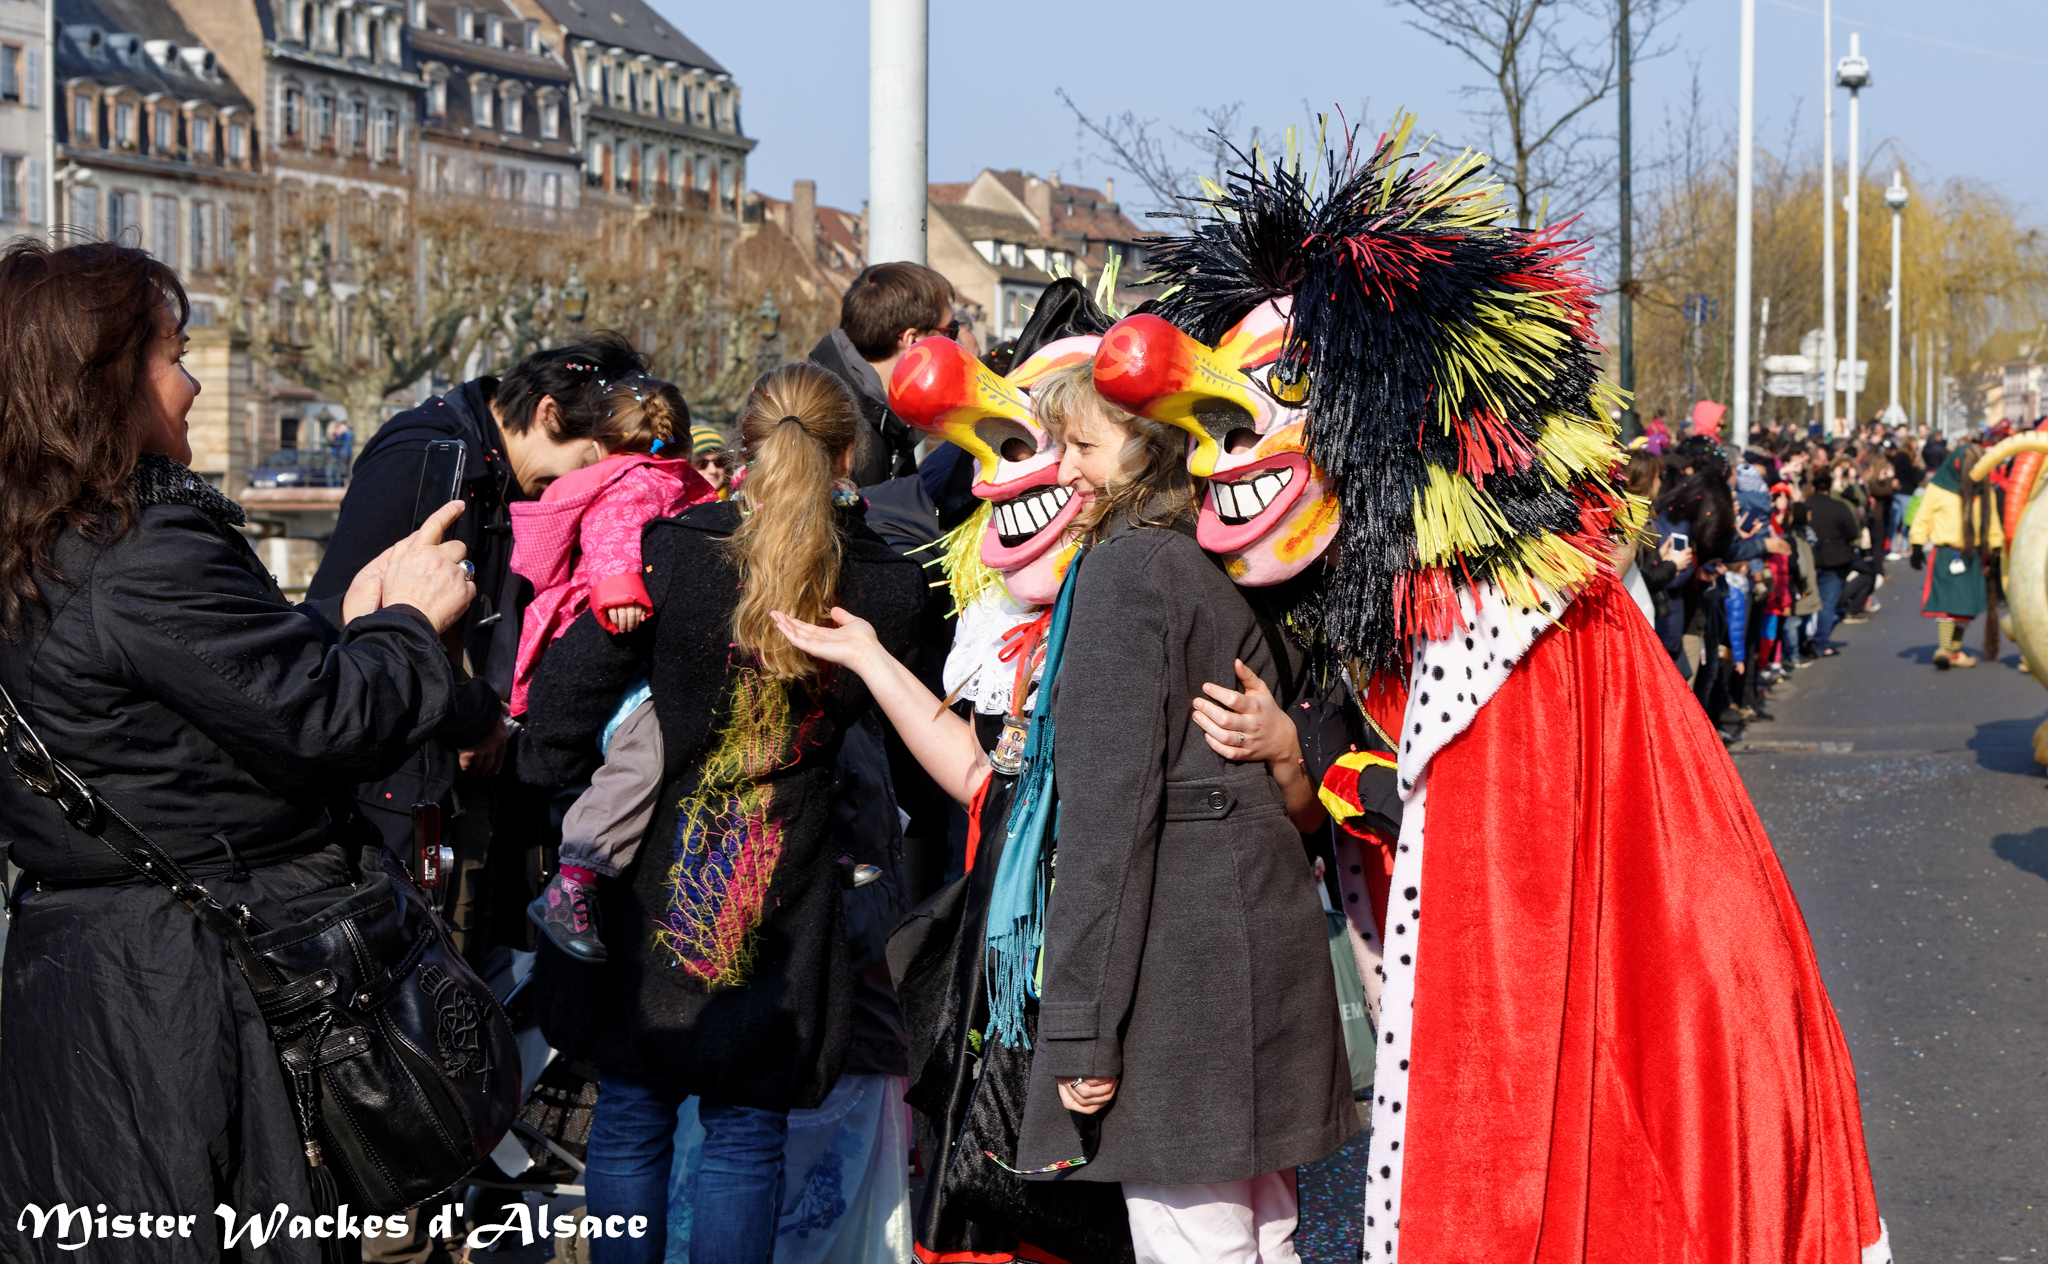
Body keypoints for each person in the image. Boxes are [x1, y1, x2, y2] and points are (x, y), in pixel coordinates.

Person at [788, 358, 1355, 1263]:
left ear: (1157, 446)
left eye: (1083, 444)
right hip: (1244, 955)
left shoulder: (1128, 571)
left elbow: (1105, 828)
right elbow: (1008, 781)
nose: (1066, 467)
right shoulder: (1209, 571)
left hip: (1177, 978)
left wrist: (1082, 1030)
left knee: (1195, 1244)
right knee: (1261, 1235)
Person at [0, 240, 476, 1263]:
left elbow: (205, 715)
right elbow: (328, 724)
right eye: (170, 352)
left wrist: (347, 630)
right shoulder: (139, 552)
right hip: (197, 988)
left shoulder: (33, 547)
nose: (193, 378)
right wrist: (407, 624)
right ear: (101, 381)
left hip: (80, 971)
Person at [516, 362, 927, 1264]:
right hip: (787, 880)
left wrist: (565, 801)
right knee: (747, 1128)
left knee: (630, 1110)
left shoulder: (673, 554)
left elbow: (564, 700)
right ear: (848, 453)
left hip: (652, 868)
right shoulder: (891, 588)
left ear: (741, 447)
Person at [305, 333, 645, 967]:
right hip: (410, 781)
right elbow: (352, 614)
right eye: (592, 463)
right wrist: (473, 713)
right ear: (547, 414)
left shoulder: (505, 471)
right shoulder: (426, 457)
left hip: (464, 769)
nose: (591, 488)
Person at [511, 376, 713, 960]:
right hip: (615, 639)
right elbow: (613, 534)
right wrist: (620, 587)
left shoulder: (648, 477)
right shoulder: (638, 483)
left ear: (600, 444)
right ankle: (574, 877)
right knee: (641, 755)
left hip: (645, 645)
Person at [809, 261, 959, 486]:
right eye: (951, 330)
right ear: (913, 340)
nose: (957, 347)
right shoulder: (839, 431)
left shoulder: (877, 416)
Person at [1910, 441, 2003, 669]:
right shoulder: (1938, 488)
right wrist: (1917, 544)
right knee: (1946, 603)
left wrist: (1996, 546)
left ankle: (1953, 652)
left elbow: (1992, 520)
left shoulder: (1984, 489)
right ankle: (1945, 647)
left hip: (1974, 554)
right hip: (1947, 552)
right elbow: (1923, 517)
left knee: (1966, 607)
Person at [1805, 465, 1862, 657]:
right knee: (1826, 604)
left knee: (1805, 603)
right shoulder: (1838, 507)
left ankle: (1800, 643)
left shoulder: (1806, 504)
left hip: (1808, 559)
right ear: (1829, 487)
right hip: (1834, 560)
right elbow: (1853, 532)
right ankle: (1821, 643)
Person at [690, 423, 734, 498]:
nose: (713, 470)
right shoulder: (675, 507)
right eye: (702, 463)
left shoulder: (739, 501)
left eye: (719, 462)